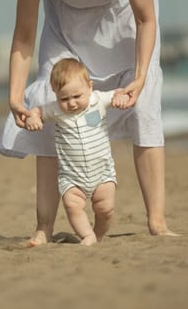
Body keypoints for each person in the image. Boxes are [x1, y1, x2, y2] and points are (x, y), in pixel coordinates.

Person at [0, 0, 177, 246]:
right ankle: (44, 228)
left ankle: (157, 221)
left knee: (143, 103)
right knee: (47, 98)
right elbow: (24, 35)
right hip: (66, 25)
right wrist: (14, 96)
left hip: (126, 22)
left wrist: (140, 78)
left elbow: (145, 18)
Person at [25, 58, 129, 246]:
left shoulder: (98, 100)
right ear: (55, 93)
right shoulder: (56, 110)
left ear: (90, 87)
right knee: (73, 207)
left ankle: (96, 235)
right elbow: (37, 111)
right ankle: (87, 235)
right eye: (64, 98)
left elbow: (118, 93)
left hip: (102, 173)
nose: (71, 103)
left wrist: (121, 97)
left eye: (77, 96)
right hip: (72, 177)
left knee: (106, 210)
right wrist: (33, 118)